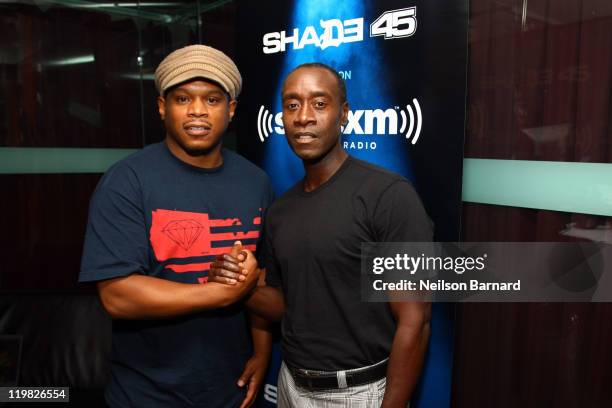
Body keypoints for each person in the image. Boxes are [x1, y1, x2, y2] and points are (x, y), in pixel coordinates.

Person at [210, 62, 433, 407]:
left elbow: (415, 321)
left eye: (319, 103)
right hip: (290, 386)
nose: (303, 117)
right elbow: (284, 305)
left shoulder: (387, 195)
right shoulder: (280, 211)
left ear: (343, 114)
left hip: (358, 394)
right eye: (292, 104)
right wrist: (239, 285)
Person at [79, 44, 273, 408]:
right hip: (146, 395)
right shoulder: (127, 181)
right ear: (161, 107)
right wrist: (221, 293)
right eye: (183, 98)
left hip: (232, 392)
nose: (197, 111)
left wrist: (262, 352)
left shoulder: (255, 181)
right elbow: (116, 295)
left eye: (213, 100)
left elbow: (259, 277)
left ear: (231, 110)